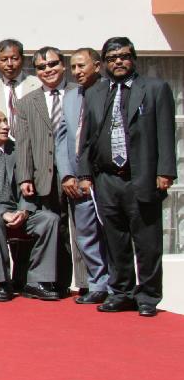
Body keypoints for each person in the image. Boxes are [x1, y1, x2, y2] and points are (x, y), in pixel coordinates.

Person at [78, 37, 176, 317]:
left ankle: (148, 297)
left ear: (133, 58)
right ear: (104, 63)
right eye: (112, 58)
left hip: (142, 176)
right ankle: (121, 292)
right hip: (107, 178)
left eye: (123, 56)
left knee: (147, 242)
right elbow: (87, 136)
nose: (118, 61)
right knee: (115, 240)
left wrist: (165, 171)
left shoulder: (154, 88)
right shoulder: (95, 92)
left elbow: (166, 132)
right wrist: (84, 173)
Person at [0, 108, 61, 302]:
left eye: (6, 121)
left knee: (49, 219)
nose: (5, 126)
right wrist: (3, 213)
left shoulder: (18, 150)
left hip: (18, 209)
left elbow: (29, 184)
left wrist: (24, 211)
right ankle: (3, 282)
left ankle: (36, 282)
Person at [13, 46, 85, 293]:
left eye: (53, 64)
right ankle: (59, 282)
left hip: (77, 173)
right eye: (41, 67)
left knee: (82, 227)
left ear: (63, 65)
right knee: (57, 227)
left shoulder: (80, 93)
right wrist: (24, 177)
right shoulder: (27, 102)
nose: (48, 70)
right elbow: (23, 143)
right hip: (45, 175)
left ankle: (87, 284)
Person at [62, 47, 111, 303]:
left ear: (97, 66)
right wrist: (67, 174)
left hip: (104, 176)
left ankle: (118, 286)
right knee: (86, 234)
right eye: (73, 67)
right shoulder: (71, 96)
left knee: (112, 232)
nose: (77, 71)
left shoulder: (110, 91)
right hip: (77, 179)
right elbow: (62, 137)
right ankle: (98, 284)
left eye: (82, 65)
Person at [0, 39, 41, 138]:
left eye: (14, 58)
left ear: (23, 59)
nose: (9, 64)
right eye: (4, 59)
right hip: (3, 145)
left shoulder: (39, 85)